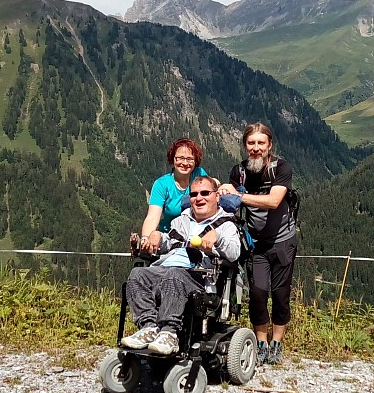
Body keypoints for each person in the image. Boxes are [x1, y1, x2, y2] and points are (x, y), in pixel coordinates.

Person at [121, 176, 242, 355]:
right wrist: (157, 237)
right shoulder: (181, 221)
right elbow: (169, 242)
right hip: (167, 269)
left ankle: (170, 333)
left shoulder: (226, 225)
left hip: (200, 277)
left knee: (175, 275)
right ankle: (149, 327)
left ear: (217, 197)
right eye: (193, 194)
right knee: (138, 274)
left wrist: (217, 238)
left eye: (205, 193)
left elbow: (234, 253)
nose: (198, 198)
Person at [217, 122, 297, 365]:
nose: (256, 148)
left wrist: (239, 196)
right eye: (251, 143)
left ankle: (277, 343)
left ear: (269, 145)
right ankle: (261, 343)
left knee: (281, 295)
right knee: (259, 294)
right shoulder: (238, 172)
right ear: (244, 145)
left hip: (283, 241)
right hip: (256, 244)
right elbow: (228, 203)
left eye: (261, 143)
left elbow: (274, 202)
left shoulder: (281, 168)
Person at [138, 138, 209, 255]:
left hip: (195, 236)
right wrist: (146, 238)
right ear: (173, 159)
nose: (185, 163)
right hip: (169, 238)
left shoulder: (199, 174)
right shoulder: (162, 184)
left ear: (195, 161)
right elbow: (152, 216)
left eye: (190, 159)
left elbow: (211, 188)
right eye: (180, 158)